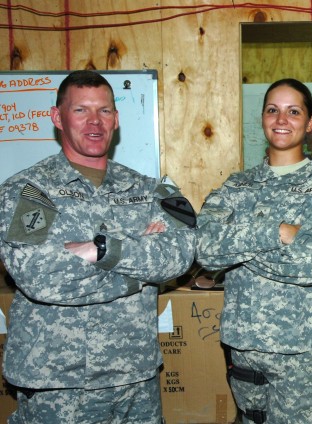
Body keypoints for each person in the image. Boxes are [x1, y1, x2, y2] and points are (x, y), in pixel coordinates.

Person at [0, 70, 196, 423]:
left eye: (104, 111)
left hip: (135, 375)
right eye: (81, 110)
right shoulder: (31, 191)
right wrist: (140, 264)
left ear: (116, 119)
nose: (94, 121)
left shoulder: (148, 188)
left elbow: (182, 251)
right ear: (58, 118)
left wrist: (100, 251)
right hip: (58, 383)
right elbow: (39, 275)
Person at [196, 78, 312, 423]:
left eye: (293, 111)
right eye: (272, 110)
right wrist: (278, 231)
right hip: (245, 345)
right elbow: (205, 249)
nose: (282, 119)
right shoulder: (237, 185)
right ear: (262, 119)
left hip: (304, 350)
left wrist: (238, 245)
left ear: (309, 124)